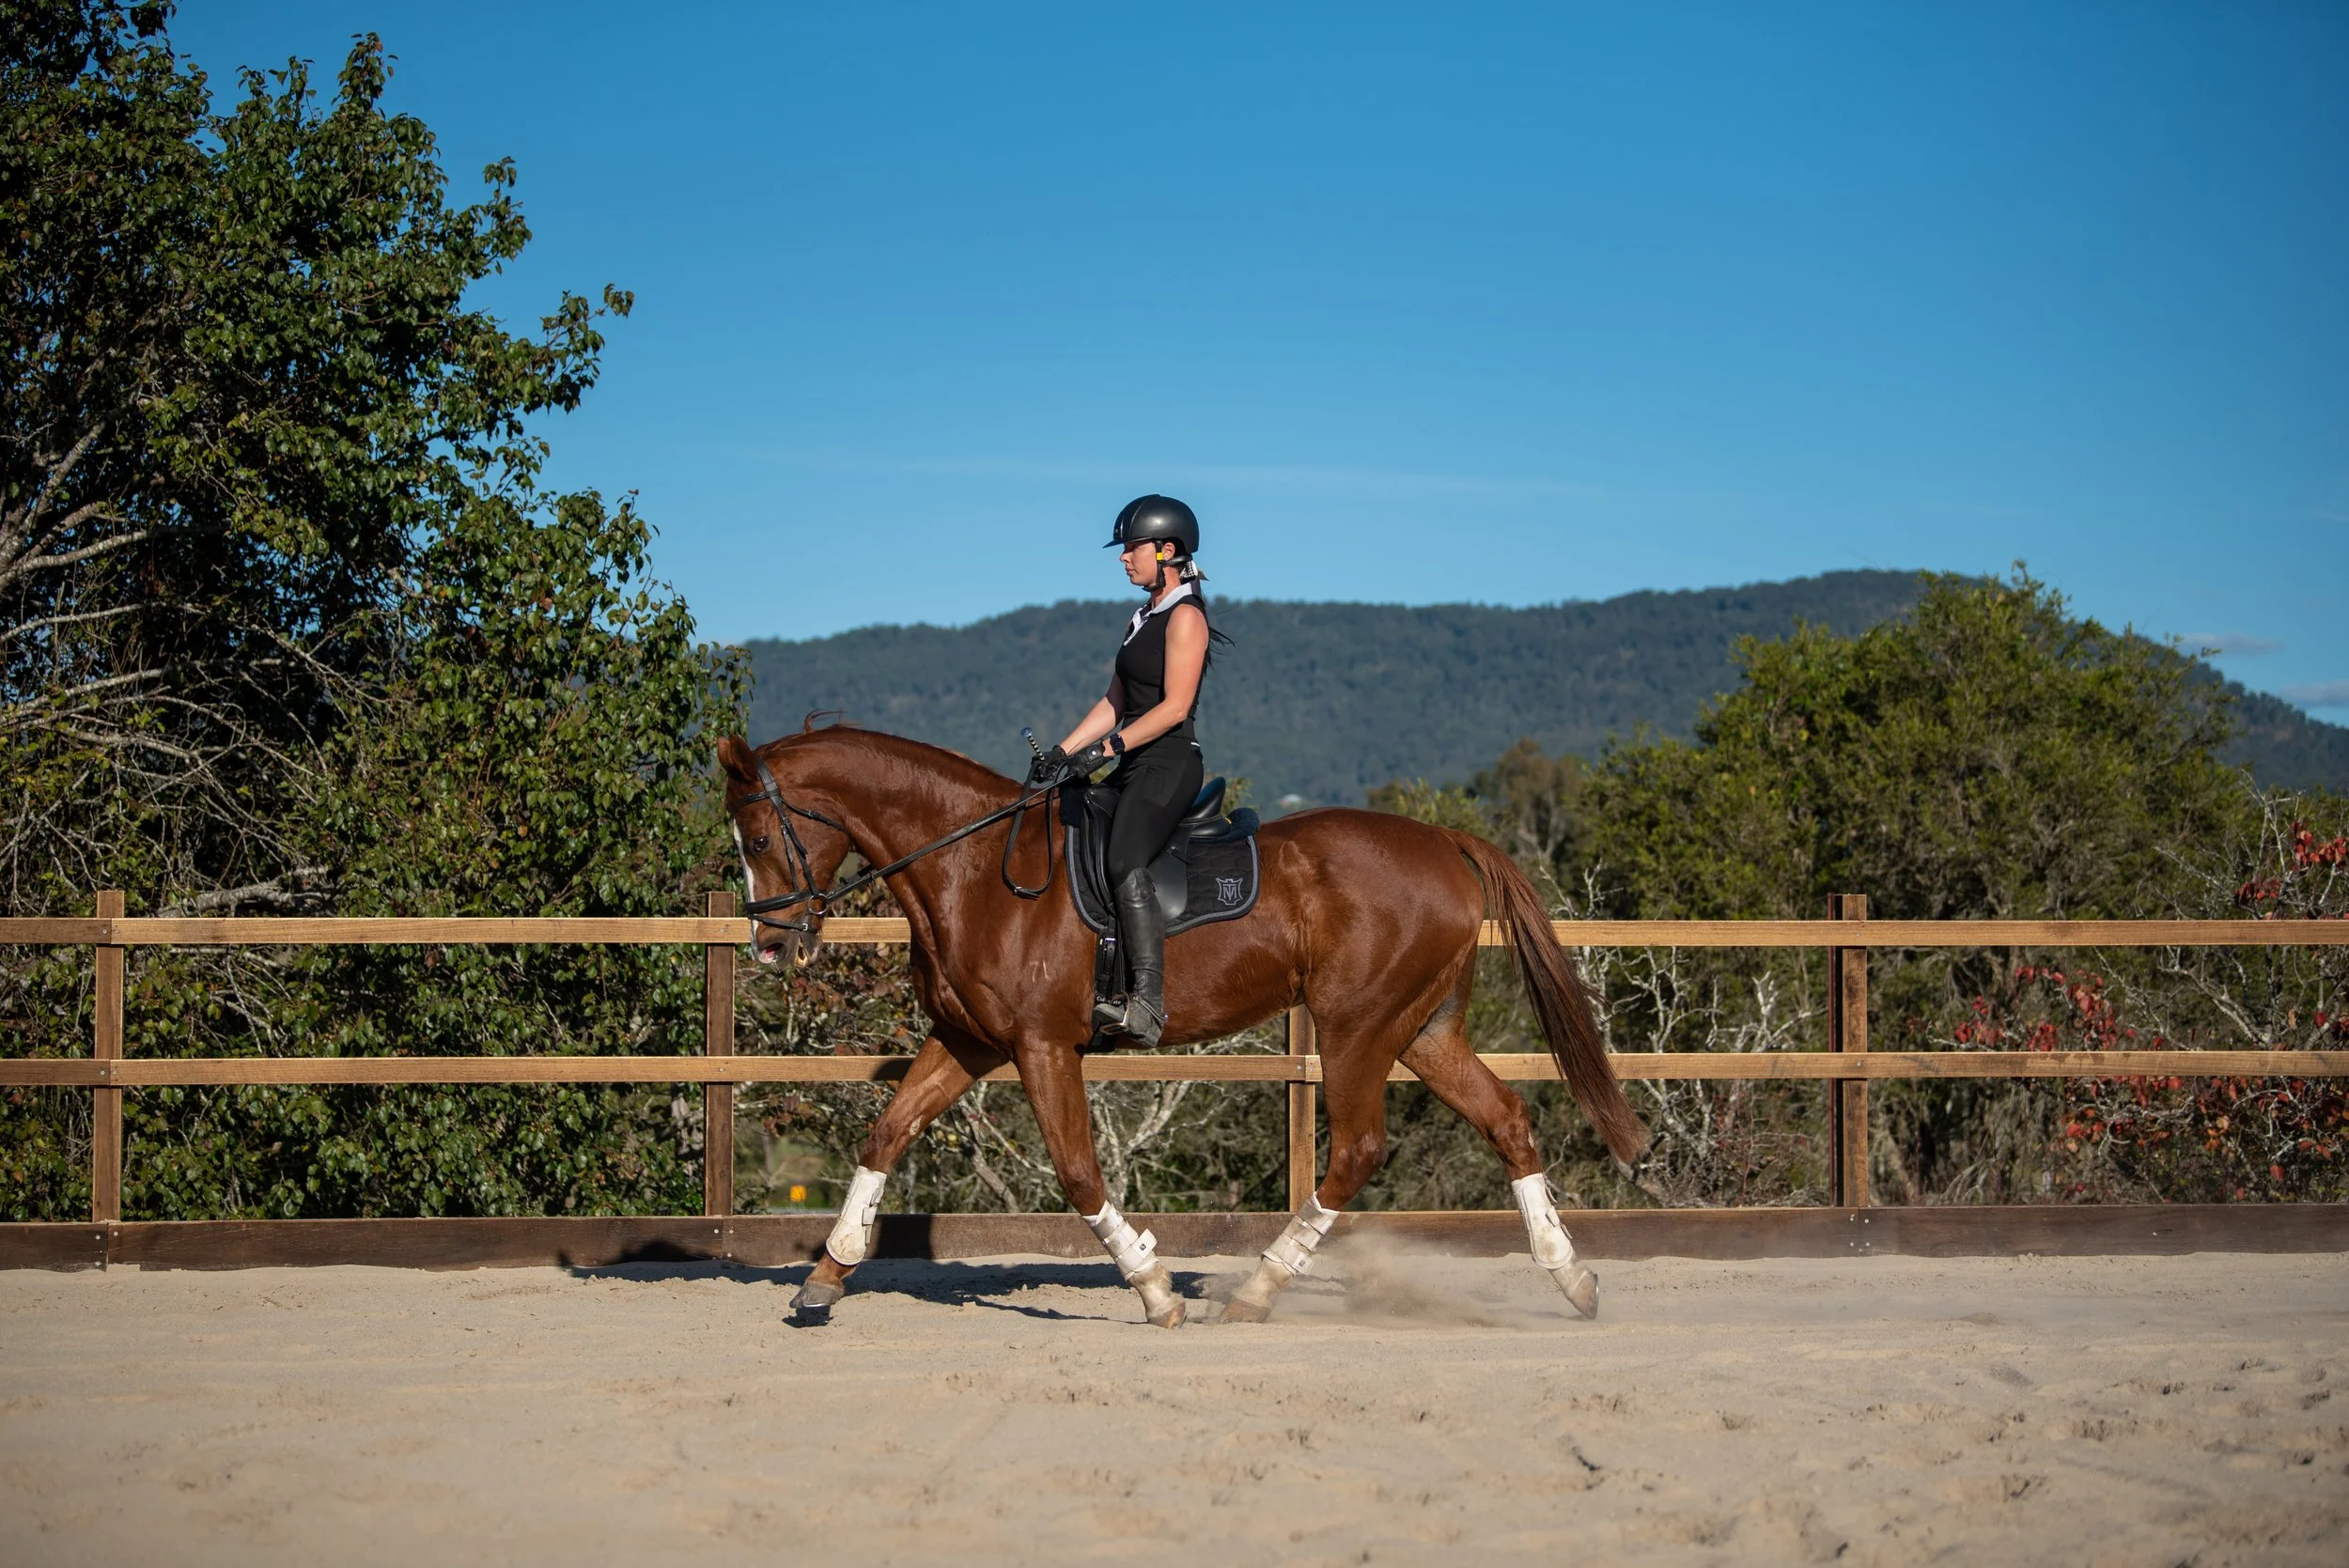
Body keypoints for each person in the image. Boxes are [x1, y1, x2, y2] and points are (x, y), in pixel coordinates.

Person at [1028, 494, 1221, 1047]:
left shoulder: (1185, 616)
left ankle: (1149, 1005)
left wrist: (1107, 749)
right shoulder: (1142, 618)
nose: (1122, 558)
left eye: (1131, 547)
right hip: (1132, 757)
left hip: (1167, 763)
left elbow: (1174, 707)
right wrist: (1063, 752)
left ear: (1166, 550)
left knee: (1123, 857)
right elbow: (1115, 699)